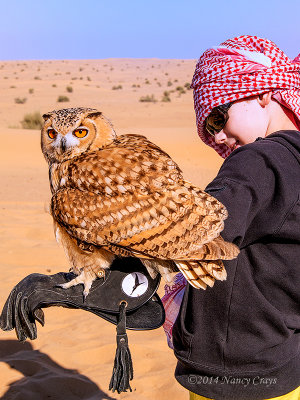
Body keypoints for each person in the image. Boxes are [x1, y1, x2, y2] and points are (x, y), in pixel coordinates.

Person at [162, 35, 300, 400]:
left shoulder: (259, 160)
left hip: (237, 379)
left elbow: (190, 233)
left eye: (220, 116)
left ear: (262, 93)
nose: (219, 135)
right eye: (210, 127)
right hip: (283, 367)